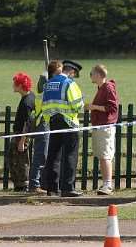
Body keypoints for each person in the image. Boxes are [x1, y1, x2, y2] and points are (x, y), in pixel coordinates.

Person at [42, 60, 84, 197]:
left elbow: (44, 105)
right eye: (74, 74)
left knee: (53, 155)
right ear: (71, 71)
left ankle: (52, 188)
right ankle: (67, 188)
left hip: (53, 122)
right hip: (69, 123)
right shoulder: (69, 83)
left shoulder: (48, 84)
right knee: (70, 155)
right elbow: (78, 105)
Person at [28, 61, 63, 194]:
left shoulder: (46, 85)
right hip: (43, 121)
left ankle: (40, 183)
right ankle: (34, 185)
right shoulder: (45, 86)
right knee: (40, 155)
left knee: (44, 154)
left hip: (45, 121)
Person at [85, 64, 119, 195]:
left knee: (106, 155)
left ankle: (108, 185)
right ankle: (105, 183)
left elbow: (112, 108)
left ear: (99, 75)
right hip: (99, 126)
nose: (90, 76)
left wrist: (93, 107)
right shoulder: (101, 88)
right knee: (102, 156)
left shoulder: (108, 88)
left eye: (92, 73)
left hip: (105, 126)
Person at [10, 73, 35, 192]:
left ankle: (24, 184)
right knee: (15, 160)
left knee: (22, 161)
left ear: (20, 85)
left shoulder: (27, 102)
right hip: (19, 134)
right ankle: (19, 185)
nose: (13, 85)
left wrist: (22, 140)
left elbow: (27, 122)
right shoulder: (28, 97)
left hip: (22, 134)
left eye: (15, 83)